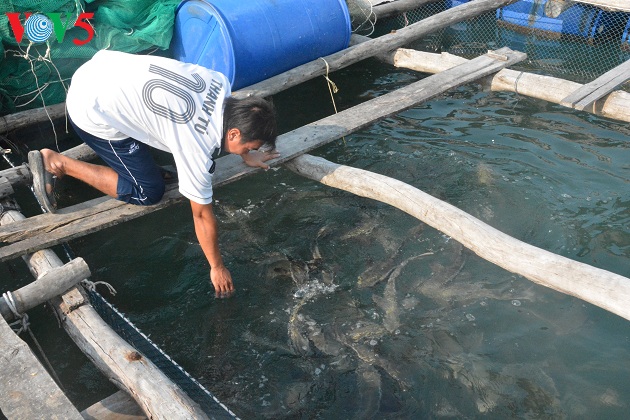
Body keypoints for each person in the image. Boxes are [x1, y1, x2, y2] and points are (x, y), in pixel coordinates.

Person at [28, 50, 279, 299]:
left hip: (101, 70)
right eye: (249, 147)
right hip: (89, 108)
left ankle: (145, 168)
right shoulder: (196, 144)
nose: (248, 151)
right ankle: (59, 162)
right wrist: (217, 267)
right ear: (234, 134)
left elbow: (233, 122)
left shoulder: (219, 83)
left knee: (159, 157)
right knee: (148, 191)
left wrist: (246, 153)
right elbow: (202, 215)